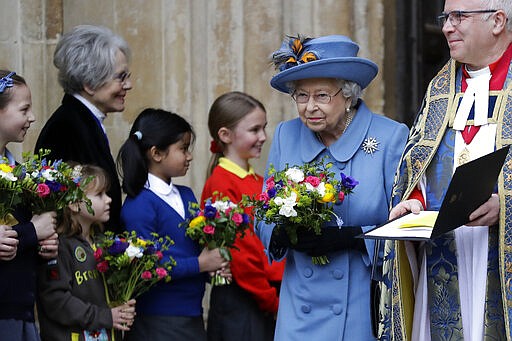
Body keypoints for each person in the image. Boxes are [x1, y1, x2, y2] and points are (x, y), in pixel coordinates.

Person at [255, 35, 409, 340]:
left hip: (361, 304)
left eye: (322, 95)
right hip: (300, 306)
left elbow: (406, 228)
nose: (310, 107)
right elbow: (263, 215)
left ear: (349, 94)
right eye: (301, 95)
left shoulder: (390, 137)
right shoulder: (286, 135)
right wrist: (282, 232)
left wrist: (353, 238)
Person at [378, 1, 512, 340]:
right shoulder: (440, 88)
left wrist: (506, 204)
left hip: (497, 258)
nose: (446, 27)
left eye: (459, 17)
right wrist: (415, 202)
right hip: (444, 256)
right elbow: (422, 162)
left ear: (497, 21)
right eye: (445, 17)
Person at [118, 108, 230, 341]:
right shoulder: (139, 204)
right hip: (158, 318)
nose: (189, 156)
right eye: (183, 148)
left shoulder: (186, 194)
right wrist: (200, 264)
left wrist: (213, 266)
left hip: (191, 313)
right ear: (156, 153)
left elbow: (191, 248)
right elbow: (147, 267)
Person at [201, 91, 285, 341]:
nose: (263, 137)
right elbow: (242, 254)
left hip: (262, 296)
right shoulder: (221, 183)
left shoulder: (258, 181)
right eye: (254, 130)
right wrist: (273, 302)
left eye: (264, 128)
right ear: (225, 135)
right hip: (244, 301)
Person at [35, 24, 132, 233]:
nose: (129, 85)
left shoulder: (81, 120)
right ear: (89, 83)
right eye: (121, 77)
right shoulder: (65, 128)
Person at [37, 164, 136, 341]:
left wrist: (121, 305)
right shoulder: (58, 245)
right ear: (74, 204)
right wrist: (106, 316)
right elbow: (56, 300)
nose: (109, 200)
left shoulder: (103, 243)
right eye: (99, 195)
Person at [0, 70, 58, 340]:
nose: (32, 117)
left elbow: (21, 238)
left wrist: (43, 244)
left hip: (20, 307)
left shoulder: (21, 174)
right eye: (24, 109)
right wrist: (33, 231)